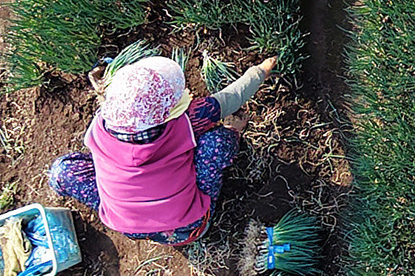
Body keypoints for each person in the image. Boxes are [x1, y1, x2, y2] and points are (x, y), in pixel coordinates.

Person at [48, 49, 276, 246]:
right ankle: (234, 131)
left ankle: (62, 184)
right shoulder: (188, 121)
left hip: (129, 226)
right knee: (217, 142)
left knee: (63, 170)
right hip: (189, 225)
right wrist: (262, 70)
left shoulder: (100, 128)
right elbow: (231, 97)